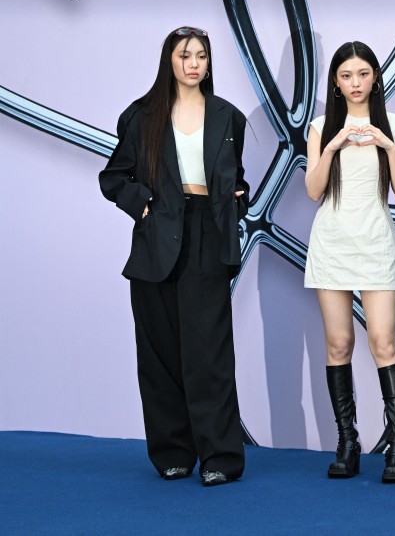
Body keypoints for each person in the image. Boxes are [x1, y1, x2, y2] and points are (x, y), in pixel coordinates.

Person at [98, 26, 250, 487]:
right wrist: (141, 203)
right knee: (160, 350)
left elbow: (236, 177)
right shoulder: (142, 116)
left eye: (201, 55)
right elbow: (113, 177)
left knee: (210, 353)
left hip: (208, 229)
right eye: (185, 55)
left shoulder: (229, 117)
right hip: (157, 233)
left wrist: (238, 197)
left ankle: (220, 455)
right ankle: (172, 452)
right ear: (169, 60)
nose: (193, 63)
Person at [304, 41, 395, 483]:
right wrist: (330, 147)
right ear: (335, 81)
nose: (355, 83)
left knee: (384, 343)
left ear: (375, 77)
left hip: (375, 242)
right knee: (338, 345)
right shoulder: (318, 127)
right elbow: (313, 191)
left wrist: (388, 145)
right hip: (331, 243)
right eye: (347, 76)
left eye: (363, 74)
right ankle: (347, 442)